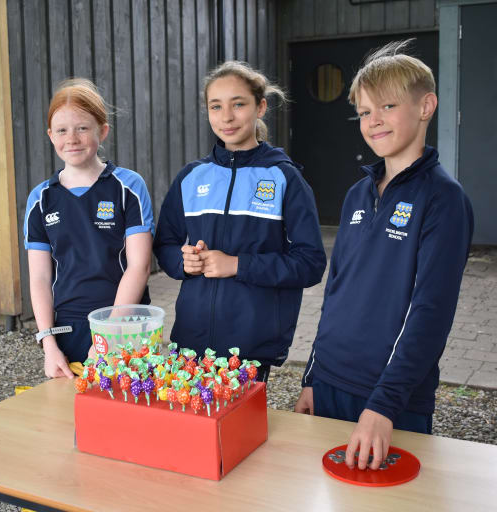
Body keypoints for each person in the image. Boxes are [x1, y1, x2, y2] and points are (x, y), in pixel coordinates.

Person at [295, 40, 474, 470]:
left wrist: (384, 405)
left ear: (425, 106)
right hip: (330, 384)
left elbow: (429, 311)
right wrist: (312, 378)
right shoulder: (358, 193)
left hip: (389, 401)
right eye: (364, 112)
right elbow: (336, 292)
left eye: (388, 107)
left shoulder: (444, 200)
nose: (373, 122)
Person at [154, 61, 326, 381]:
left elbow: (311, 263)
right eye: (216, 106)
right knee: (191, 429)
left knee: (238, 431)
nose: (227, 117)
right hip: (190, 341)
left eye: (238, 104)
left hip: (248, 347)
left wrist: (237, 265)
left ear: (260, 107)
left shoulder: (284, 178)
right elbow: (164, 244)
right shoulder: (191, 177)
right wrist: (183, 262)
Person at [24, 78, 154, 379]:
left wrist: (109, 334)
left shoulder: (128, 187)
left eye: (82, 127)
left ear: (102, 130)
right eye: (61, 130)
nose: (72, 138)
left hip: (125, 325)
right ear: (50, 136)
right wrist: (49, 344)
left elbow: (140, 265)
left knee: (128, 417)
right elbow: (41, 278)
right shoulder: (40, 199)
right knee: (68, 420)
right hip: (68, 329)